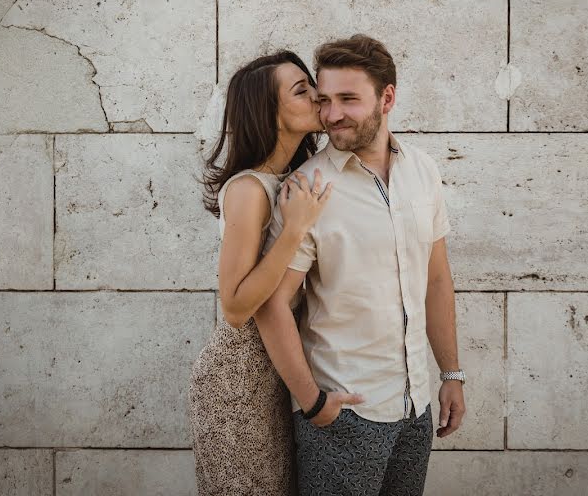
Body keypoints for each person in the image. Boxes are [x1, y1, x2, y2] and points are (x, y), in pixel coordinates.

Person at [256, 34, 467, 495]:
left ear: (387, 98)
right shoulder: (306, 189)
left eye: (348, 99)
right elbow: (271, 305)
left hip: (414, 407)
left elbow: (436, 279)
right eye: (325, 100)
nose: (331, 115)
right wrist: (314, 405)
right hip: (344, 413)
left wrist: (450, 373)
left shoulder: (423, 170)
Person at [188, 51, 335, 495]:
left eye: (312, 84)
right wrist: (295, 230)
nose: (317, 95)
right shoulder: (250, 190)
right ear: (268, 112)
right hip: (236, 380)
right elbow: (233, 306)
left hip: (275, 375)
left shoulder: (290, 179)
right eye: (301, 90)